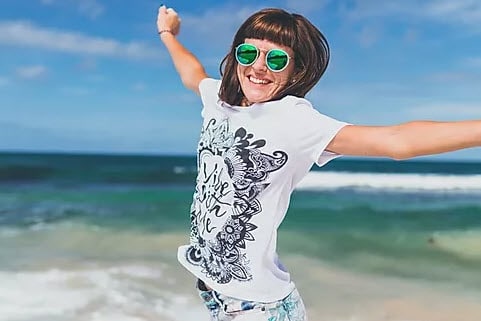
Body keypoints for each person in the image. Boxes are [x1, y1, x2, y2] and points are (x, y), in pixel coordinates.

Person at [156, 5, 481, 321]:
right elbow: (191, 73)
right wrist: (168, 33)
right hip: (217, 296)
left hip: (256, 308)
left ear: (296, 71)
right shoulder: (217, 100)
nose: (258, 67)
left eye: (276, 59)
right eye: (248, 53)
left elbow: (397, 141)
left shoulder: (294, 120)